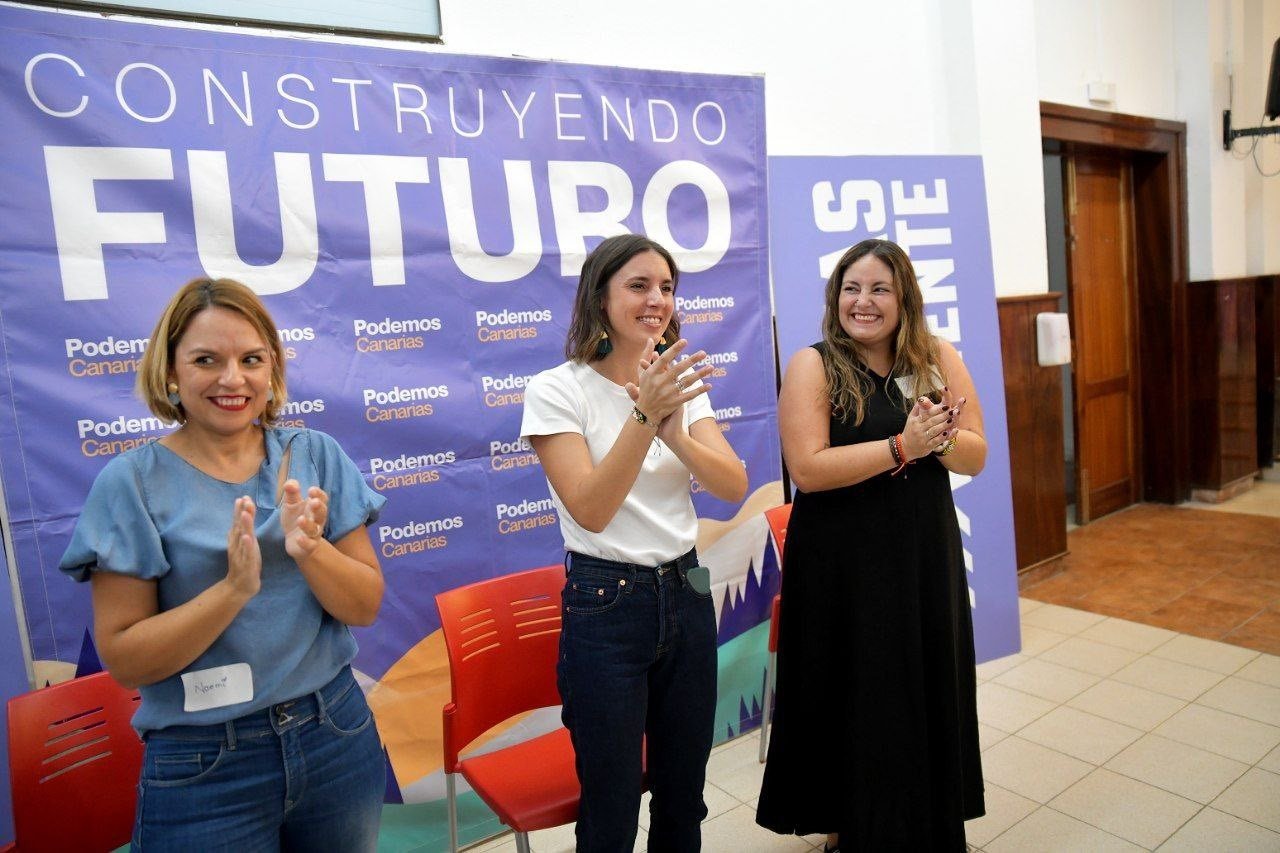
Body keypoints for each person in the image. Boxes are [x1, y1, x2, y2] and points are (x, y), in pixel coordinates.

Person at [59, 277, 387, 851]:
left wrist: (311, 552)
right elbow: (127, 660)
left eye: (251, 359)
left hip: (335, 733)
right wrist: (233, 589)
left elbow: (363, 607)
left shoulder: (314, 455)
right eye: (206, 360)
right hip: (205, 763)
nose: (233, 379)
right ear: (171, 371)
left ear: (272, 368)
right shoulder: (131, 484)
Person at [755, 239, 987, 850]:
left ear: (904, 298)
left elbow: (976, 455)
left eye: (880, 289)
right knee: (855, 690)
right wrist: (902, 447)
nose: (864, 301)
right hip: (843, 564)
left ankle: (928, 822)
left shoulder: (936, 357)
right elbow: (807, 469)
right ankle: (850, 829)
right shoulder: (814, 365)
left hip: (922, 555)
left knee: (922, 680)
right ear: (835, 297)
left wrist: (939, 439)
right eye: (851, 288)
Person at [521, 234, 748, 852]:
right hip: (607, 606)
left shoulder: (677, 385)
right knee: (612, 806)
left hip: (687, 590)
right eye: (639, 285)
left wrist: (675, 430)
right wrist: (645, 415)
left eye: (667, 287)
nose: (657, 300)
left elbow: (732, 484)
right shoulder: (557, 389)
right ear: (601, 296)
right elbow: (591, 510)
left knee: (683, 796)